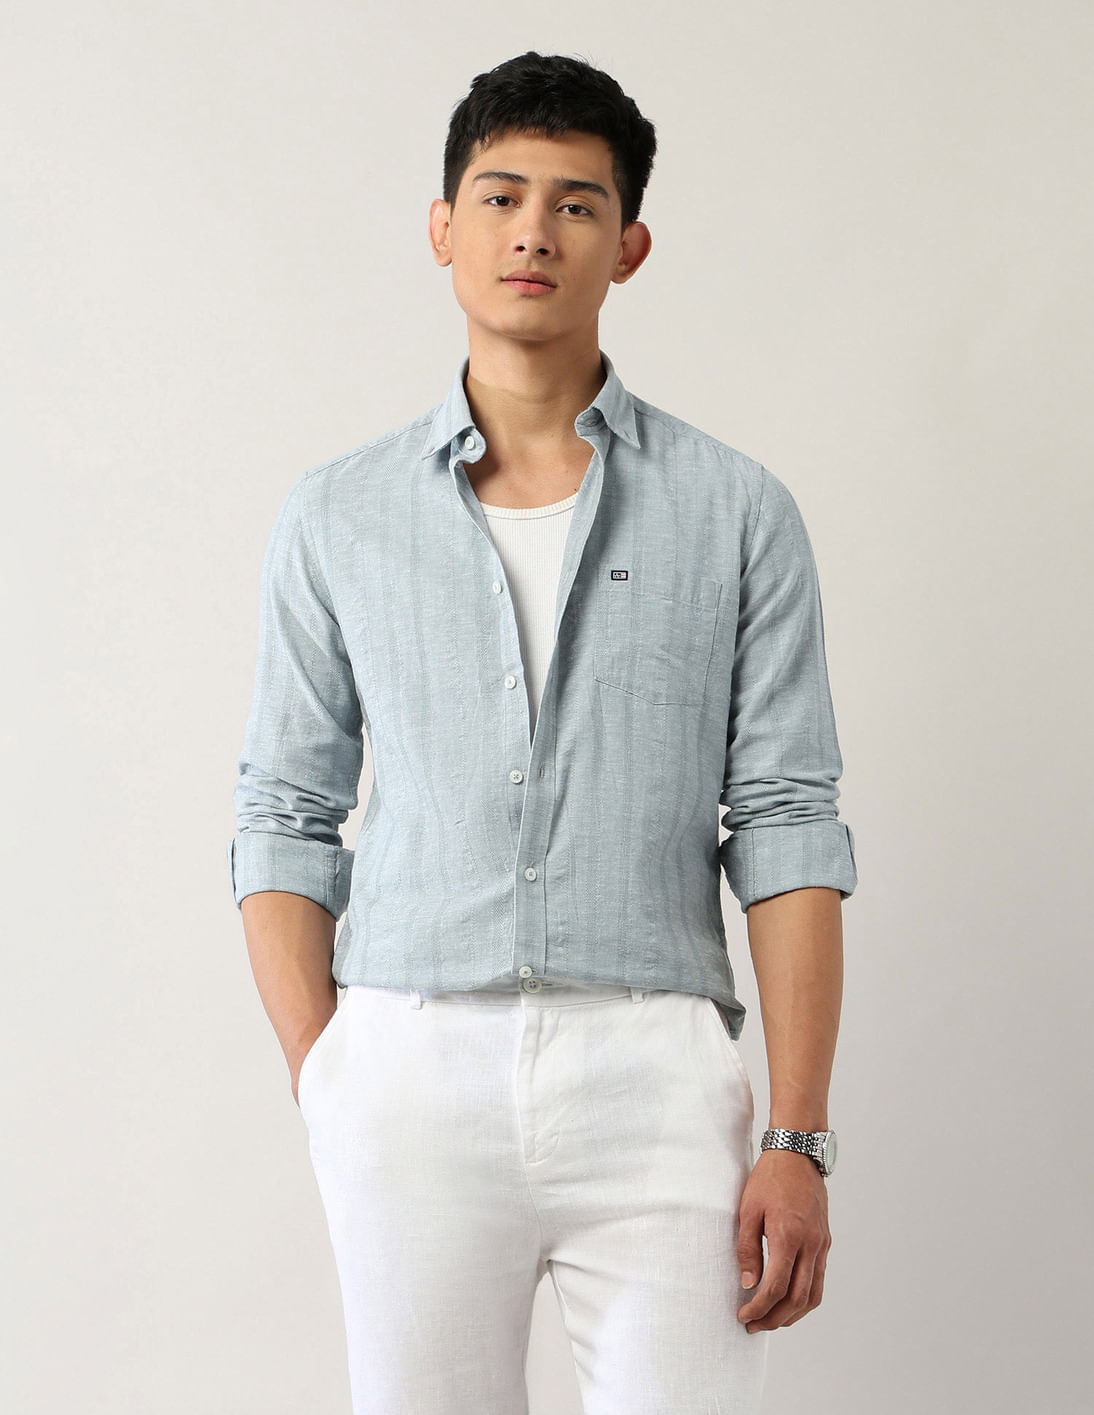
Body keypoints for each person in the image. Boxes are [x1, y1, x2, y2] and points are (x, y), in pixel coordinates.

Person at [227, 49, 857, 1415]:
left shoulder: (736, 512)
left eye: (576, 204)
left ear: (628, 246)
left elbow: (787, 822)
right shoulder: (338, 515)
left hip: (655, 1071)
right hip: (408, 1064)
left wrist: (797, 1132)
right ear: (442, 226)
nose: (533, 232)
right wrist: (326, 1074)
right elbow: (282, 811)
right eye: (500, 196)